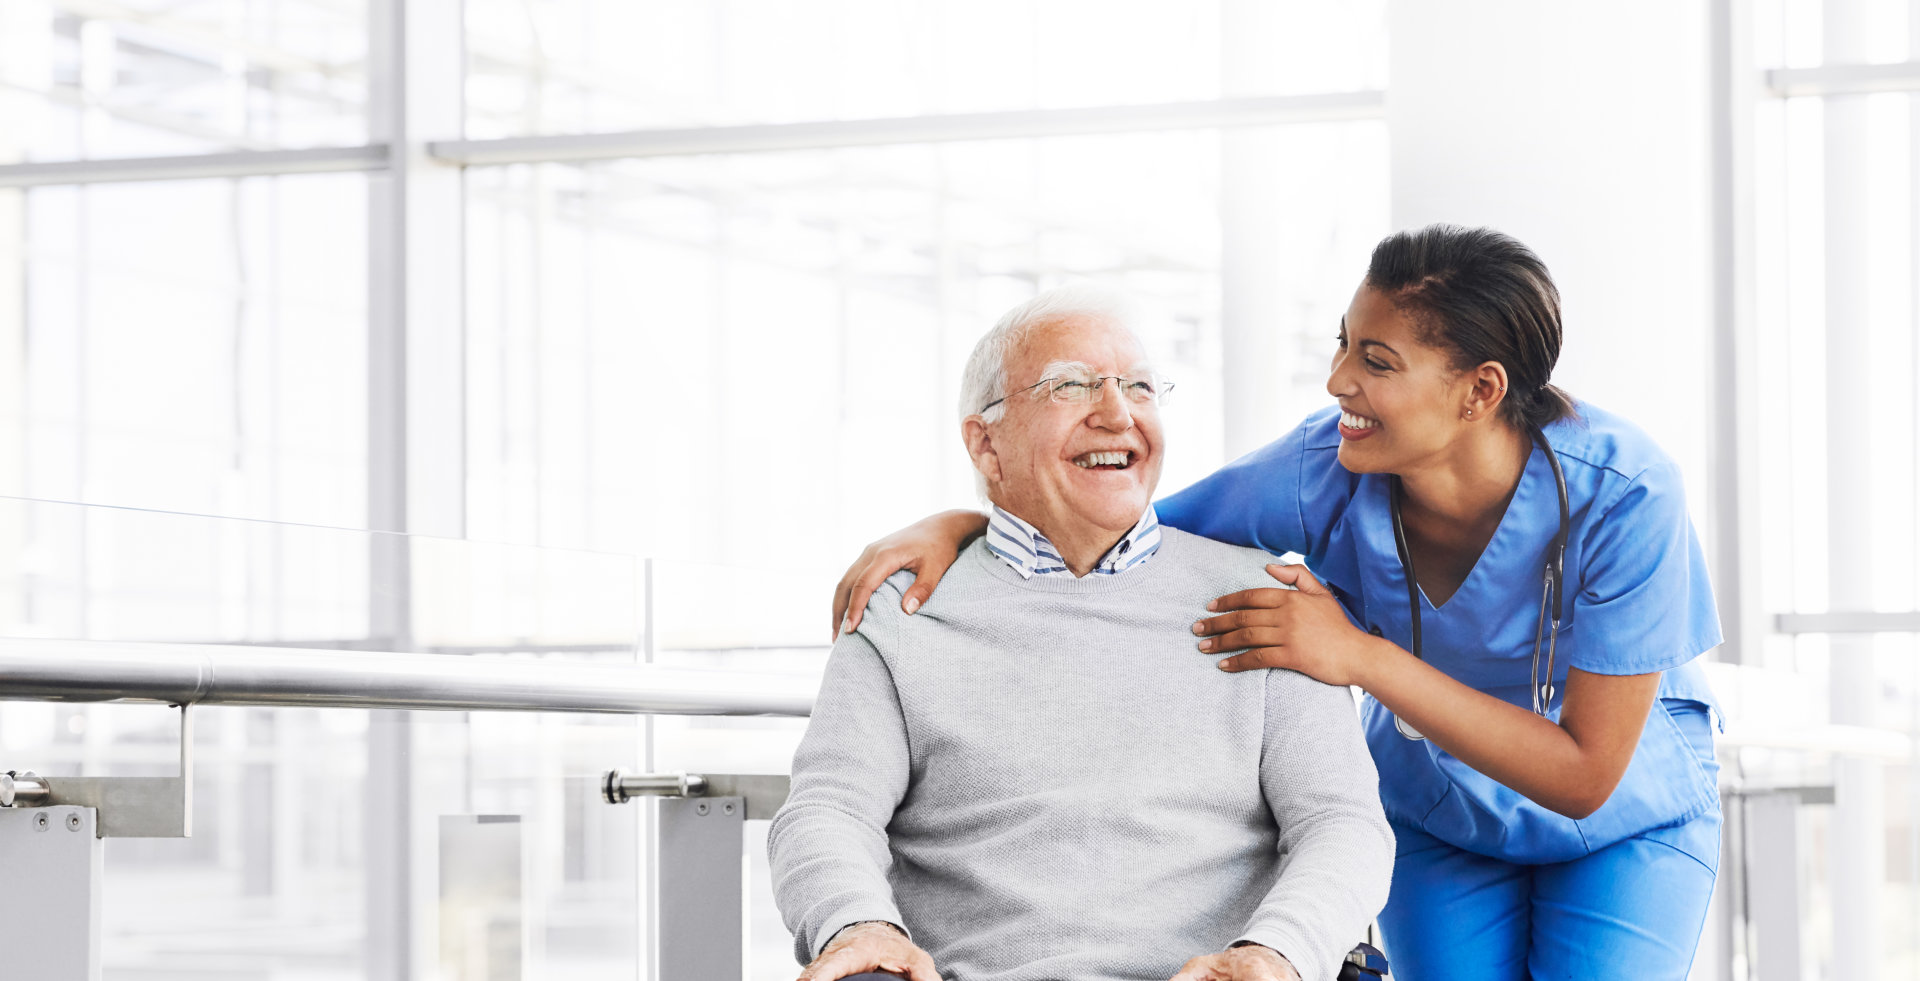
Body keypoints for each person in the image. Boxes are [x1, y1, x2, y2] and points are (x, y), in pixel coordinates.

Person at [831, 226, 1724, 980]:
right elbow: (1112, 527)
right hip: (1442, 807)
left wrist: (1359, 656)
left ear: (1479, 389)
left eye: (1376, 360)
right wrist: (961, 520)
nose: (1337, 380)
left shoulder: (1625, 494)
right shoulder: (1321, 466)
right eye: (1342, 343)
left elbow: (1582, 776)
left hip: (1619, 817)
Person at [771, 287, 1393, 981]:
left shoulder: (1269, 602)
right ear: (986, 442)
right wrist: (860, 925)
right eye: (1071, 385)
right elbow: (829, 809)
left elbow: (1343, 823)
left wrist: (1276, 953)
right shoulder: (903, 612)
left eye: (1140, 387)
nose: (1117, 412)